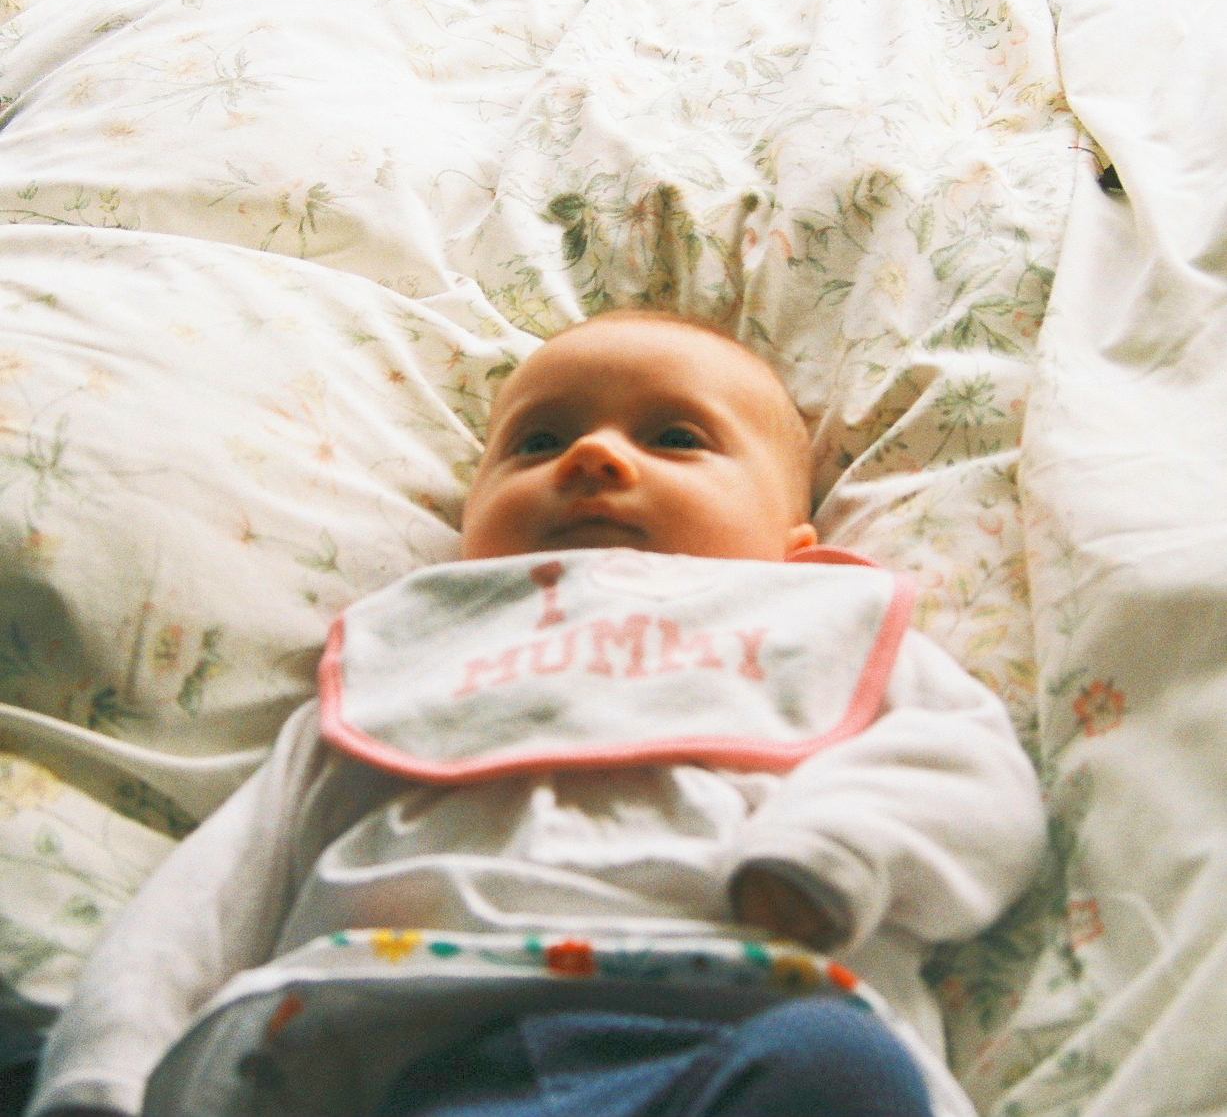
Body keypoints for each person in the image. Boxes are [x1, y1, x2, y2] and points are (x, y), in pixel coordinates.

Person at [26, 312, 1045, 1117]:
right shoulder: (408, 653)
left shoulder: (824, 623)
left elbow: (970, 774)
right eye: (539, 440)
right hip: (406, 1032)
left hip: (743, 1012)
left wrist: (837, 850)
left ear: (794, 542)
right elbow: (216, 883)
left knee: (845, 1070)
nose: (596, 454)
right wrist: (108, 1066)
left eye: (676, 437)